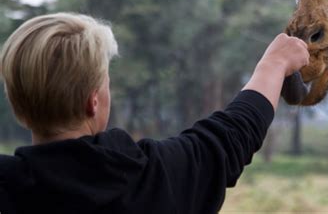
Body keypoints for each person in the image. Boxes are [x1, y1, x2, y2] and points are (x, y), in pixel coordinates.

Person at [0, 12, 309, 214]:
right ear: (93, 101)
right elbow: (231, 137)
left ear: (18, 105)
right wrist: (274, 65)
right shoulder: (151, 179)